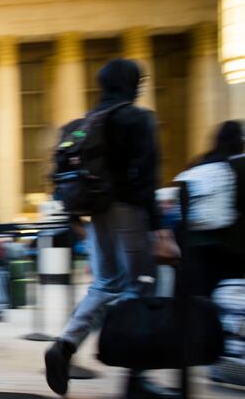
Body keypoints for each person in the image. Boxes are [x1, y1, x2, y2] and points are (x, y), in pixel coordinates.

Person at [44, 59, 175, 398]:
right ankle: (136, 378)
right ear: (131, 84)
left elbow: (60, 172)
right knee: (140, 288)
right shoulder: (137, 118)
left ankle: (64, 346)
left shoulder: (86, 122)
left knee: (105, 284)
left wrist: (75, 220)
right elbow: (147, 176)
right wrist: (160, 228)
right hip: (130, 212)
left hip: (98, 212)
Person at [184, 120, 245, 297]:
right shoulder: (239, 166)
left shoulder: (198, 165)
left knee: (203, 294)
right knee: (228, 294)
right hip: (231, 246)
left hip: (196, 242)